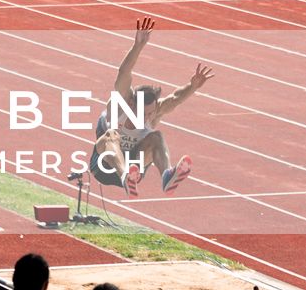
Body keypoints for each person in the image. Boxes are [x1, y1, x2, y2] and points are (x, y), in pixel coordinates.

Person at [89, 17, 213, 197]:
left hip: (135, 168)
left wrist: (192, 86)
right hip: (104, 167)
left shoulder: (154, 114)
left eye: (149, 114)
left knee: (156, 136)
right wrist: (138, 45)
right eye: (142, 113)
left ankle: (167, 176)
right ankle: (124, 176)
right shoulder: (120, 105)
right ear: (130, 103)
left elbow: (176, 99)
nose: (147, 118)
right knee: (111, 135)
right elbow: (124, 73)